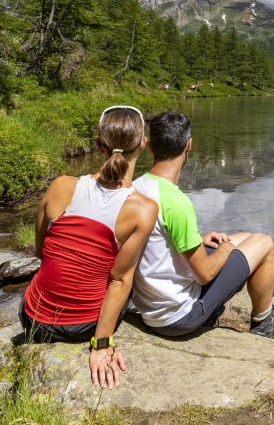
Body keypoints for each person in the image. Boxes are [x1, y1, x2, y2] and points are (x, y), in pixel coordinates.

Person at [20, 105, 158, 389]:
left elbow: (41, 250)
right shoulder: (143, 209)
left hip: (31, 316)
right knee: (128, 275)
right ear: (143, 144)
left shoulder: (61, 185)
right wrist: (101, 344)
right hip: (80, 327)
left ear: (98, 146)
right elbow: (119, 280)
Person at [131, 110, 274, 339]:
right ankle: (265, 323)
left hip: (150, 307)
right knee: (264, 243)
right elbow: (204, 275)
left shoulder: (135, 187)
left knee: (245, 236)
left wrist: (201, 240)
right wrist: (227, 249)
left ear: (150, 147)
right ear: (188, 145)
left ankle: (249, 289)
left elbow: (152, 239)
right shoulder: (177, 202)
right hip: (179, 316)